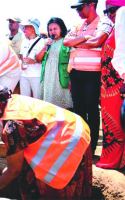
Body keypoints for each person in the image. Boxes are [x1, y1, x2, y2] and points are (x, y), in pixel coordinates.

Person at [0, 80, 92, 199]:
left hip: (71, 140)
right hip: (77, 126)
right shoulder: (13, 100)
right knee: (27, 173)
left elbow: (14, 170)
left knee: (55, 184)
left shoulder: (12, 127)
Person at [63, 0, 113, 154]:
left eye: (80, 7)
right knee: (79, 109)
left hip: (93, 72)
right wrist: (86, 38)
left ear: (92, 4)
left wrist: (77, 41)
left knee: (91, 108)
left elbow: (97, 41)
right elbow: (66, 42)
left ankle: (90, 148)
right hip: (76, 72)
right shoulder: (78, 24)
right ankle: (80, 146)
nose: (78, 11)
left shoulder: (104, 22)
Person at [96, 1, 125, 169]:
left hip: (118, 84)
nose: (110, 14)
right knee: (109, 122)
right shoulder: (114, 28)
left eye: (113, 10)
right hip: (107, 86)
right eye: (106, 12)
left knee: (119, 122)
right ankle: (113, 158)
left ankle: (117, 160)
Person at [36, 17, 73, 109]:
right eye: (50, 29)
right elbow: (38, 59)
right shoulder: (46, 42)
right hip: (48, 77)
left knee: (63, 106)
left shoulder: (67, 42)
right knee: (49, 106)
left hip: (61, 77)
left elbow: (71, 61)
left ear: (61, 29)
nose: (52, 32)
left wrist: (71, 80)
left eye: (55, 29)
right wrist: (45, 47)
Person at [19, 18, 45, 98]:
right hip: (23, 75)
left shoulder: (42, 41)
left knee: (37, 100)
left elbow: (44, 59)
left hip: (36, 76)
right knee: (24, 100)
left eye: (25, 28)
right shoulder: (24, 41)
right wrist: (22, 64)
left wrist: (33, 61)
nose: (23, 30)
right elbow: (21, 56)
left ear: (33, 28)